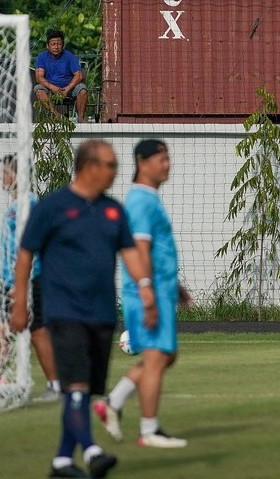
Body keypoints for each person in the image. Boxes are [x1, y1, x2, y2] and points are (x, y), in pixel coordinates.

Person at [10, 139, 157, 479]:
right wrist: (21, 302)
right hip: (64, 312)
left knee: (84, 391)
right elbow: (25, 254)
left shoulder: (113, 210)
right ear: (89, 167)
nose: (115, 171)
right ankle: (91, 451)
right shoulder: (53, 208)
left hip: (102, 313)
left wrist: (146, 287)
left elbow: (130, 252)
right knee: (75, 385)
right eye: (110, 165)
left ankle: (62, 461)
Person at [94, 140, 192, 448]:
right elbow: (138, 250)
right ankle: (149, 432)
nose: (167, 164)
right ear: (142, 162)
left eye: (168, 158)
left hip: (158, 290)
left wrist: (174, 286)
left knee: (166, 356)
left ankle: (113, 402)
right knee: (155, 358)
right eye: (161, 159)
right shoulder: (140, 202)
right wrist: (147, 291)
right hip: (146, 293)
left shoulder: (148, 199)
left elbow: (156, 250)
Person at [0, 154, 61, 400]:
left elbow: (30, 247)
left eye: (6, 172)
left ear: (17, 176)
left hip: (27, 280)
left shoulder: (25, 206)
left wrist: (22, 285)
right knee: (23, 329)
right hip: (19, 280)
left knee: (16, 329)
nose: (2, 177)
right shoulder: (17, 206)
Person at [34, 28, 88, 122]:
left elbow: (79, 75)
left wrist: (67, 89)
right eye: (53, 44)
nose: (56, 47)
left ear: (62, 45)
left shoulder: (70, 56)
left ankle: (81, 118)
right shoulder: (41, 57)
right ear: (48, 45)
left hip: (69, 89)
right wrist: (52, 87)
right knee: (38, 90)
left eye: (59, 44)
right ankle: (55, 115)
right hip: (50, 89)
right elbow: (39, 77)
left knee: (82, 89)